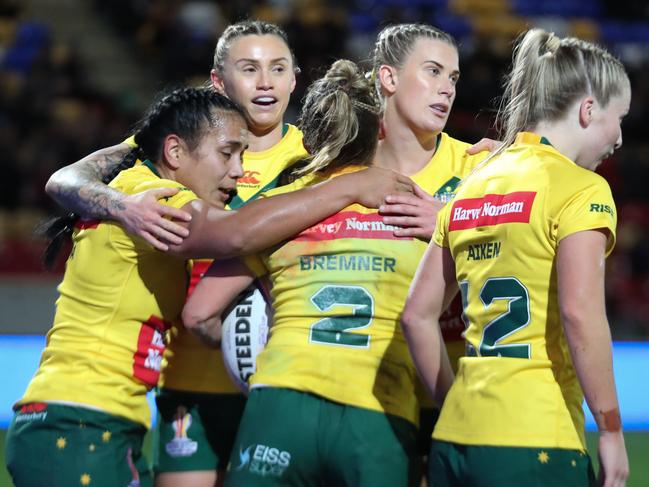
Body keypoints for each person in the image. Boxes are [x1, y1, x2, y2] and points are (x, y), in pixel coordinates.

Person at [4, 86, 412, 487]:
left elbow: (68, 179)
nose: (237, 170)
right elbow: (235, 234)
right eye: (226, 153)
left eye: (241, 155)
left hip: (89, 420)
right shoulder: (151, 194)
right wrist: (351, 186)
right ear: (175, 152)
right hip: (80, 422)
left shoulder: (129, 190)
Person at [45, 20, 309, 487]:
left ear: (294, 78)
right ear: (218, 81)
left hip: (280, 383)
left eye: (278, 68)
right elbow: (64, 181)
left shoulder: (319, 155)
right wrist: (122, 206)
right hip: (188, 382)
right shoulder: (175, 148)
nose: (265, 82)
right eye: (249, 69)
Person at [183, 54, 443, 486]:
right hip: (379, 413)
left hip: (282, 402)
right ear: (379, 130)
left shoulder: (282, 209)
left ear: (307, 139)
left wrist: (248, 351)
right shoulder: (415, 207)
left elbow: (197, 315)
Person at [401, 28, 630, 487]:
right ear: (588, 110)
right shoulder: (582, 187)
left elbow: (416, 316)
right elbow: (580, 314)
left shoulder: (474, 183)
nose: (621, 138)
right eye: (618, 118)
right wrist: (609, 428)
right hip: (537, 438)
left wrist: (452, 402)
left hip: (455, 440)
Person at [368, 22, 492, 466]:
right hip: (369, 394)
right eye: (434, 72)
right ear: (389, 78)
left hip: (459, 390)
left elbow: (530, 261)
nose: (447, 90)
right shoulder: (341, 169)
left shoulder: (484, 168)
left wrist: (448, 224)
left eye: (453, 79)